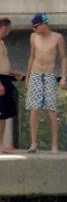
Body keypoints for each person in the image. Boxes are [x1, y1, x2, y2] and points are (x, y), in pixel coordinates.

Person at [24, 13, 67, 153]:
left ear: (43, 24)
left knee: (51, 110)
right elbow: (31, 57)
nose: (34, 29)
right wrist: (27, 76)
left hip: (49, 75)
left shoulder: (57, 37)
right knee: (34, 109)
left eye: (36, 26)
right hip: (35, 73)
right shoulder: (33, 37)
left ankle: (54, 145)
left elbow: (64, 57)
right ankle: (33, 143)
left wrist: (64, 77)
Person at [0, 17, 23, 153]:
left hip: (5, 78)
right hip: (0, 81)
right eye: (8, 29)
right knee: (1, 114)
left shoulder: (2, 43)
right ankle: (0, 145)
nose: (8, 32)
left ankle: (1, 144)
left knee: (4, 115)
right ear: (3, 28)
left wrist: (13, 73)